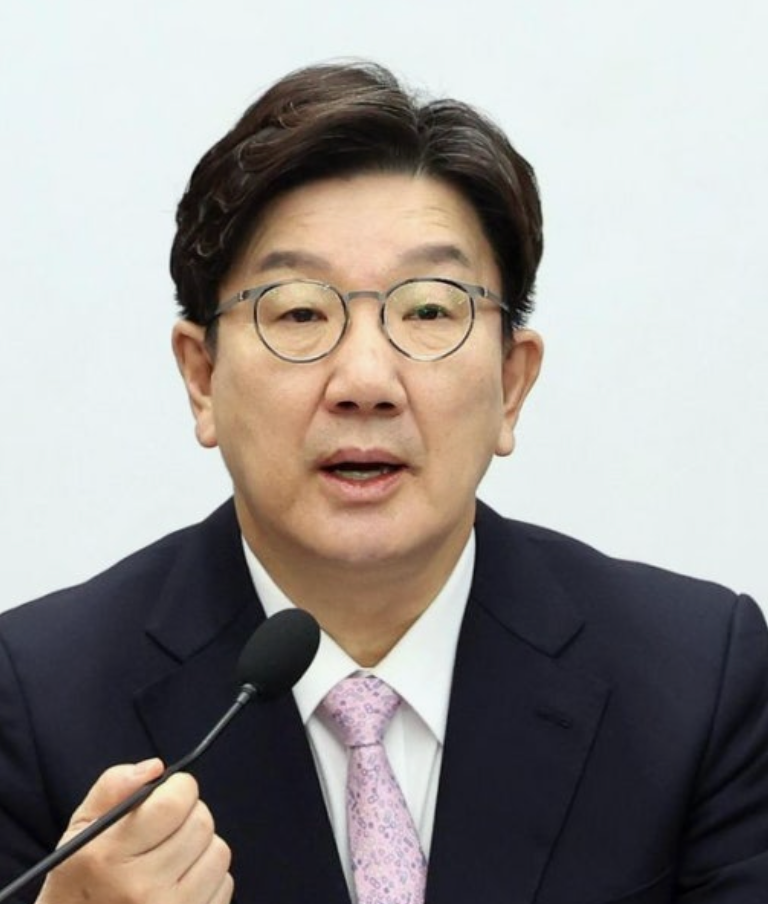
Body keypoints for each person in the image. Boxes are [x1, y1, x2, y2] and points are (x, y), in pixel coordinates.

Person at [0, 60, 766, 904]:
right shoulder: (33, 700)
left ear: (512, 383)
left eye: (429, 311)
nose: (366, 380)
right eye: (299, 312)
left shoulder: (699, 681)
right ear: (201, 377)